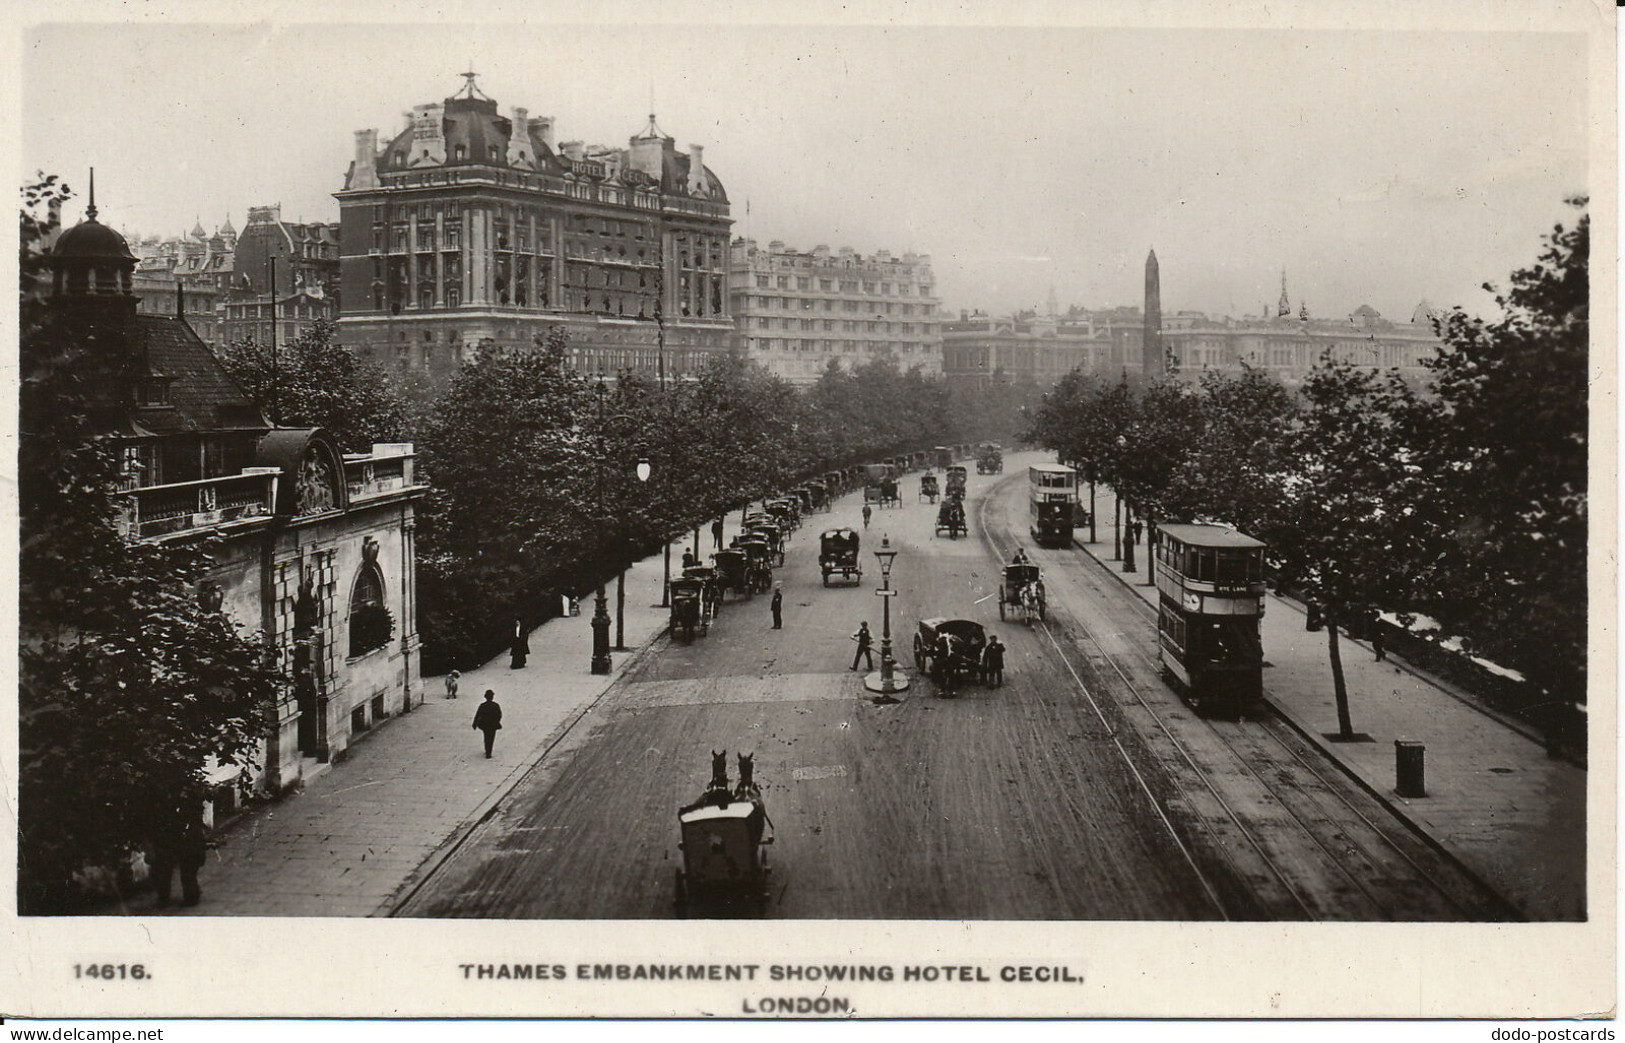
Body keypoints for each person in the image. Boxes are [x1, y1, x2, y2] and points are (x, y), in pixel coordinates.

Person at [151, 798, 206, 909]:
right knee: (163, 867)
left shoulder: (190, 795)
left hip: (187, 834)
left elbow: (196, 816)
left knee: (188, 867)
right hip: (167, 833)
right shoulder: (161, 796)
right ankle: (163, 897)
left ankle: (191, 895)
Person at [472, 690, 503, 758]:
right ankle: (489, 752)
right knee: (491, 738)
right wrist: (497, 721)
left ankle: (487, 751)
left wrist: (475, 724)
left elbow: (478, 715)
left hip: (485, 725)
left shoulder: (483, 705)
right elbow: (499, 715)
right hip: (493, 725)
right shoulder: (496, 705)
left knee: (486, 737)